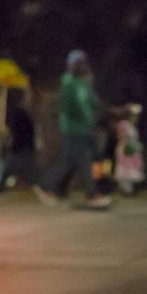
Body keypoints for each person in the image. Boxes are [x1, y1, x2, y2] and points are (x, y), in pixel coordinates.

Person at [33, 50, 112, 209]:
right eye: (78, 63)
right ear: (71, 65)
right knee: (83, 162)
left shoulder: (83, 84)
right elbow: (64, 105)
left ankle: (45, 187)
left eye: (83, 62)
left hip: (83, 130)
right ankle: (92, 195)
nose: (82, 66)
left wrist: (112, 111)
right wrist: (81, 116)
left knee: (69, 162)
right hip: (74, 129)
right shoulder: (69, 84)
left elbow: (94, 103)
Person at [0, 91, 38, 191]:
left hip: (20, 145)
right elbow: (19, 130)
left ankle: (0, 186)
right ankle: (40, 186)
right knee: (28, 167)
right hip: (21, 145)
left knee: (14, 167)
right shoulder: (20, 112)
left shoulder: (19, 112)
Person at [114, 104, 145, 195]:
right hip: (126, 149)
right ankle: (126, 189)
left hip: (133, 149)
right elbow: (122, 138)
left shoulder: (133, 126)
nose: (136, 118)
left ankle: (128, 189)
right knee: (125, 169)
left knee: (132, 168)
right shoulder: (123, 124)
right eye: (134, 115)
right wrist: (126, 148)